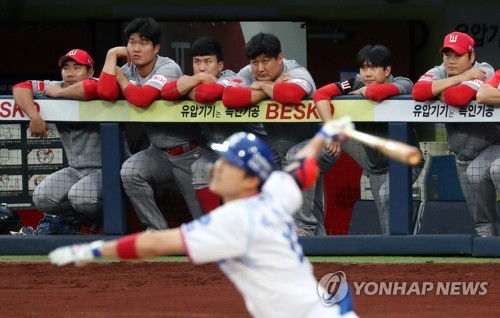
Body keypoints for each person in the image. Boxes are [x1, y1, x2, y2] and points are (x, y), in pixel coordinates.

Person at [48, 120, 358, 318]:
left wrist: (89, 251)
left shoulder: (229, 225)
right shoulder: (277, 191)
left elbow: (156, 243)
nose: (218, 167)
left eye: (229, 165)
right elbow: (301, 168)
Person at [97, 17, 211, 231]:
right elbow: (104, 93)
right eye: (131, 42)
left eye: (143, 43)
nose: (136, 48)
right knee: (130, 171)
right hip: (158, 153)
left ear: (156, 47)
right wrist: (111, 55)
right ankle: (157, 230)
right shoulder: (128, 69)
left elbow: (141, 99)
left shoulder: (168, 67)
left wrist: (122, 80)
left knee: (206, 225)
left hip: (190, 154)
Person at [222, 32, 338, 236]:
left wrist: (260, 87)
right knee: (311, 204)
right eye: (254, 62)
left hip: (321, 143)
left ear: (279, 58)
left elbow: (291, 95)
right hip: (281, 146)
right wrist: (270, 88)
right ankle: (322, 250)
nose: (259, 69)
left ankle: (301, 229)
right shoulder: (248, 72)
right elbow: (230, 97)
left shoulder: (297, 72)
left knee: (297, 159)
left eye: (265, 61)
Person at [13, 49, 128, 234]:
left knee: (80, 197)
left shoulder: (99, 82)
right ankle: (81, 223)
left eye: (77, 67)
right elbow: (20, 87)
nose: (70, 73)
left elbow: (90, 89)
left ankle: (112, 224)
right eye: (66, 68)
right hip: (76, 170)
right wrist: (34, 117)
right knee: (42, 197)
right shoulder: (55, 85)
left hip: (109, 168)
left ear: (90, 72)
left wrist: (59, 93)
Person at [313, 44, 424, 234]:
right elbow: (320, 94)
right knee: (385, 215)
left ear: (387, 70)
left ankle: (402, 249)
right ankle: (394, 256)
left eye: (373, 68)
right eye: (363, 68)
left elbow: (375, 93)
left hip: (405, 161)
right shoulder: (355, 82)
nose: (367, 73)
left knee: (387, 195)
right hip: (376, 166)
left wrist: (361, 92)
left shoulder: (403, 82)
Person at [161, 36, 267, 213]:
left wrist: (189, 86)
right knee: (200, 167)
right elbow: (166, 92)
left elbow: (208, 94)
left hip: (256, 150)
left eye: (208, 62)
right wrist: (195, 81)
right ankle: (211, 224)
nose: (201, 68)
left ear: (220, 65)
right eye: (197, 62)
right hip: (222, 152)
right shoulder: (194, 82)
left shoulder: (230, 78)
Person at [412, 31, 499, 237]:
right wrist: (461, 77)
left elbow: (457, 97)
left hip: (492, 145)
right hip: (463, 155)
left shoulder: (483, 70)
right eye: (447, 55)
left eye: (458, 56)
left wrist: (439, 91)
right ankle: (487, 260)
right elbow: (418, 92)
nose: (450, 61)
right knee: (482, 223)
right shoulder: (441, 70)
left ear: (471, 57)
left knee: (482, 174)